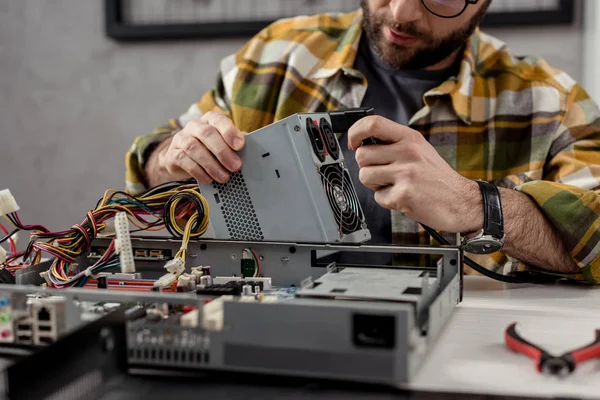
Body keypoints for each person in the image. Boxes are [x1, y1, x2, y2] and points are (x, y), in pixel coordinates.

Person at [125, 0, 600, 283]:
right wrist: (172, 157)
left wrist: (475, 205)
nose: (402, 13)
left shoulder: (549, 101)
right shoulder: (274, 57)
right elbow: (152, 166)